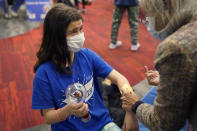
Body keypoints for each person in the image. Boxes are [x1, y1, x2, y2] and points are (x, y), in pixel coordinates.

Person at [31, 4, 138, 131]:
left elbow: (119, 78)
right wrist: (67, 110)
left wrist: (128, 97)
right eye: (73, 32)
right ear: (57, 37)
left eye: (81, 29)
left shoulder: (87, 55)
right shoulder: (44, 74)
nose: (80, 35)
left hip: (102, 123)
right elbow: (48, 117)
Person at [121, 0, 197, 130]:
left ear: (165, 6)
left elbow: (165, 123)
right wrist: (164, 81)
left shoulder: (175, 47)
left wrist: (135, 105)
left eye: (149, 14)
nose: (149, 22)